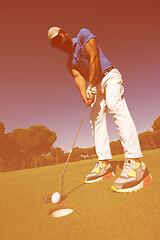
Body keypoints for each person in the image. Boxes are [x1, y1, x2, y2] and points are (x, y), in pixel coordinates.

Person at [48, 27, 153, 193]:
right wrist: (85, 95)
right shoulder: (70, 63)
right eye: (55, 44)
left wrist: (91, 84)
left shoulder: (83, 35)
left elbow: (94, 57)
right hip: (95, 86)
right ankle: (104, 165)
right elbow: (78, 77)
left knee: (114, 106)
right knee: (95, 120)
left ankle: (136, 163)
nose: (59, 44)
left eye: (58, 38)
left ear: (64, 32)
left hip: (109, 76)